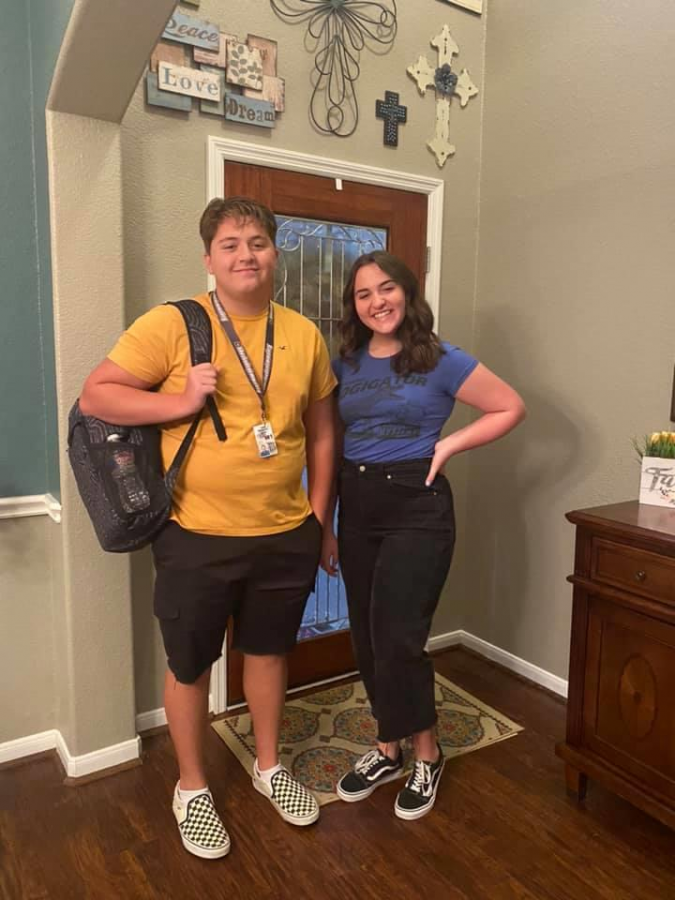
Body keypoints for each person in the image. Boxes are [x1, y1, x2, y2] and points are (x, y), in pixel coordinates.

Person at [80, 197, 336, 859]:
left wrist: (318, 516)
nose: (245, 254)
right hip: (194, 534)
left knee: (269, 653)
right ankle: (192, 788)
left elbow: (322, 429)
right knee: (191, 665)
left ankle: (269, 766)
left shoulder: (303, 334)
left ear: (275, 252)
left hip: (284, 533)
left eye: (257, 241)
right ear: (209, 259)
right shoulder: (174, 324)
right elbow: (97, 394)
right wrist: (181, 401)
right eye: (230, 244)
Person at [321, 250, 526, 821]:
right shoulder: (347, 363)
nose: (376, 302)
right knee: (364, 631)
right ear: (353, 306)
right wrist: (330, 528)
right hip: (358, 504)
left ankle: (427, 754)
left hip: (418, 501)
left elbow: (509, 406)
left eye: (386, 289)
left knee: (398, 636)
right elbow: (335, 445)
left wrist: (450, 444)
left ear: (407, 293)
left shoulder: (439, 358)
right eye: (363, 294)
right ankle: (388, 747)